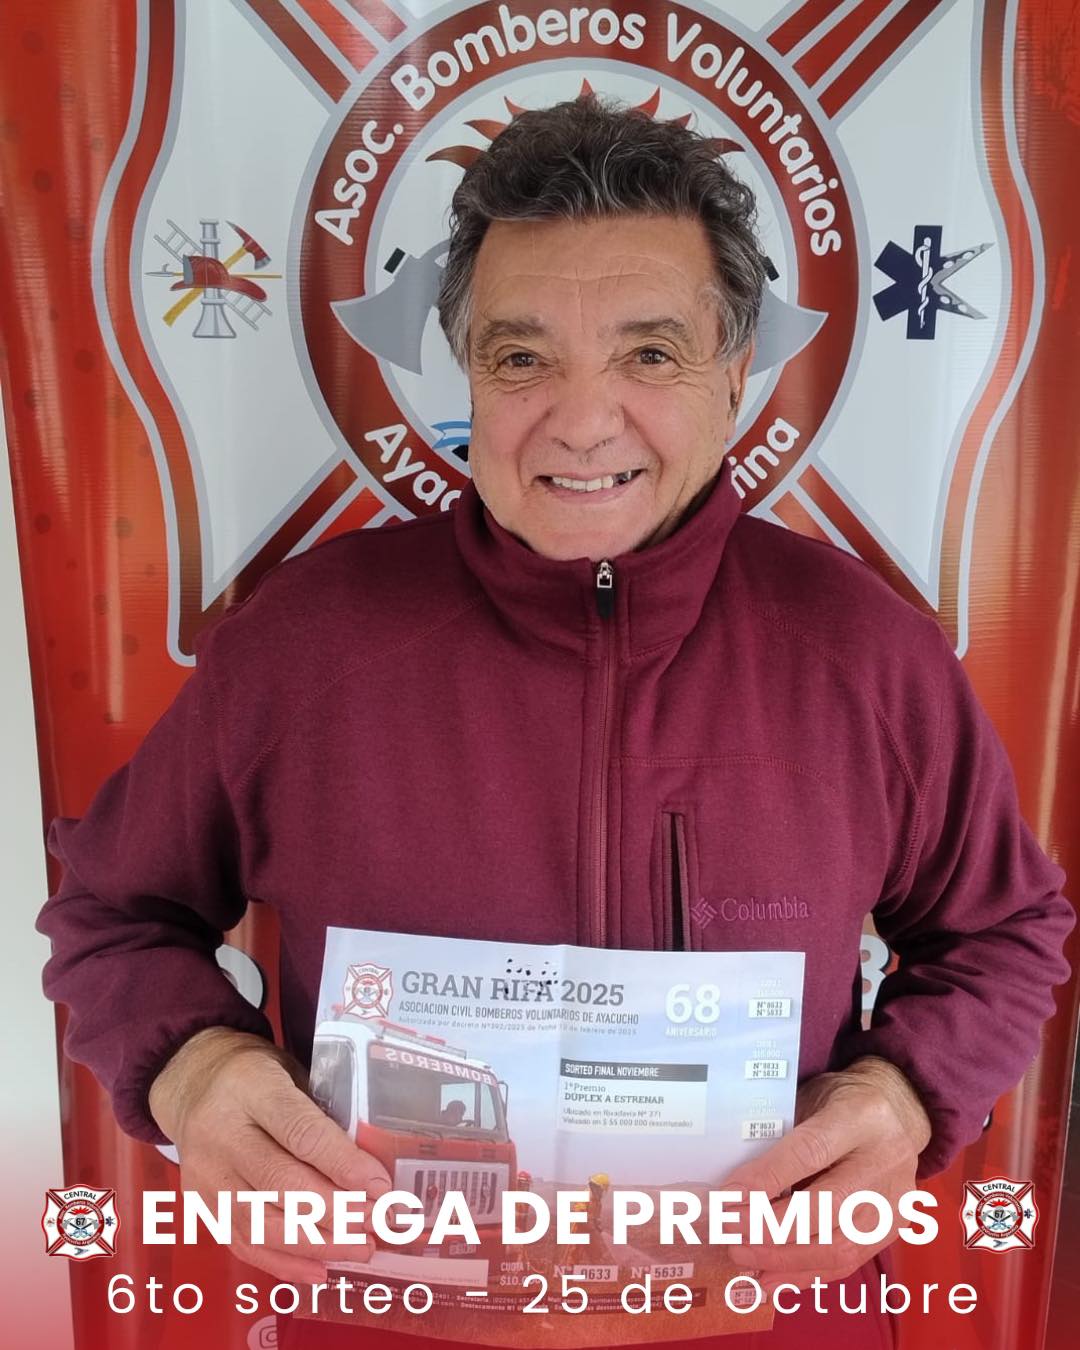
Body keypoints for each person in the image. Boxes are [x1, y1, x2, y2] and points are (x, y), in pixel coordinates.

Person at [37, 94, 1073, 1349]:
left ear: (736, 371)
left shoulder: (864, 653)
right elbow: (114, 913)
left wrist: (907, 1093)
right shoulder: (304, 646)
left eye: (651, 355)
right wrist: (193, 1068)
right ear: (467, 372)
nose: (582, 423)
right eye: (522, 359)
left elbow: (1004, 932)